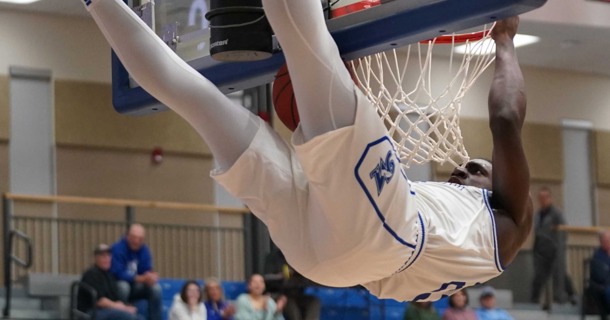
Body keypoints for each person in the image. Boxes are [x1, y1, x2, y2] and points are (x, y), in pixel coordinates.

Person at [82, 0, 532, 302]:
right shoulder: (470, 236)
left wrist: (505, 40)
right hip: (328, 258)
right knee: (201, 103)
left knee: (307, 48)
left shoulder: (509, 221)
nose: (466, 166)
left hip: (388, 241)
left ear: (501, 187)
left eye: (479, 169)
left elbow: (507, 121)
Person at [530, 187, 576, 306]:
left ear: (550, 198)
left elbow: (563, 230)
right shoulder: (538, 214)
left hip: (554, 249)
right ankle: (534, 300)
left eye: (545, 197)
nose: (543, 200)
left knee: (560, 274)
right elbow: (537, 232)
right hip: (541, 250)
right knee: (539, 275)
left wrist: (558, 246)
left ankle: (571, 295)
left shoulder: (556, 213)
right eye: (541, 198)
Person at [77, 243, 145, 320]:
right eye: (103, 256)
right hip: (91, 311)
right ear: (96, 258)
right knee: (129, 317)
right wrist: (122, 308)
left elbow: (114, 298)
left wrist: (126, 307)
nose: (107, 259)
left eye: (109, 255)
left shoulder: (110, 275)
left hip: (107, 310)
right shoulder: (91, 274)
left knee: (139, 316)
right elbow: (100, 301)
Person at [111, 223, 163, 320]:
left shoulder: (145, 250)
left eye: (140, 239)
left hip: (136, 286)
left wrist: (150, 277)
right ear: (127, 236)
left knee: (156, 289)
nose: (136, 241)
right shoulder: (117, 248)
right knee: (123, 287)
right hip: (117, 286)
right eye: (134, 237)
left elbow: (146, 270)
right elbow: (118, 273)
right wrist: (141, 278)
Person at [264, 247, 321, 320]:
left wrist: (298, 275)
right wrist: (282, 277)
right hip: (280, 294)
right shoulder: (272, 257)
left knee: (314, 301)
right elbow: (267, 278)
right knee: (291, 306)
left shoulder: (298, 258)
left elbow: (306, 281)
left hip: (297, 293)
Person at [589, 230, 610, 319]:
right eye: (608, 240)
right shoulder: (598, 256)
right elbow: (601, 276)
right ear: (602, 242)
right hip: (602, 286)